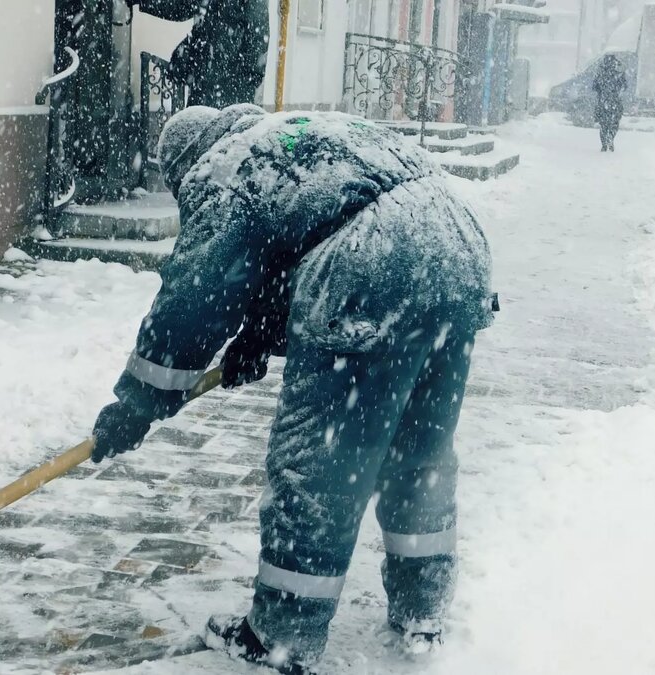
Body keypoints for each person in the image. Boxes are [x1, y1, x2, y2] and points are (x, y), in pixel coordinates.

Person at [91, 104, 495, 674]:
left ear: (183, 164)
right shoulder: (288, 138)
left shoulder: (222, 167)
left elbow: (196, 293)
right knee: (419, 451)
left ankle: (283, 637)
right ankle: (421, 607)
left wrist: (139, 402)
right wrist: (258, 335)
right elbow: (300, 235)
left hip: (373, 260)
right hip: (456, 250)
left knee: (323, 463)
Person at [130, 0, 269, 107]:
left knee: (220, 132)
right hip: (205, 79)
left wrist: (248, 78)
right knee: (198, 129)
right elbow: (182, 5)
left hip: (230, 84)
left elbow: (257, 34)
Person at [593, 54, 627, 152]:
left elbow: (594, 87)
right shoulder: (619, 74)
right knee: (614, 123)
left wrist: (602, 92)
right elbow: (624, 86)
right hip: (615, 102)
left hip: (603, 101)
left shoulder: (600, 73)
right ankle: (611, 138)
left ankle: (604, 144)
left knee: (603, 125)